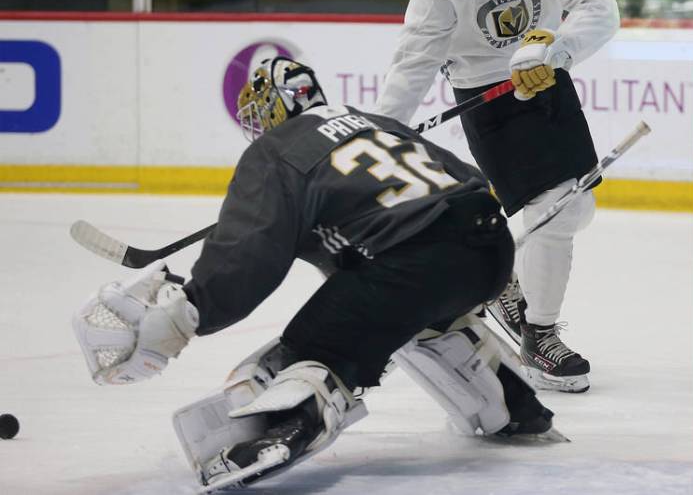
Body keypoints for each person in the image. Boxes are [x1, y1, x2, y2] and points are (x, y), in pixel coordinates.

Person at [72, 57, 559, 490]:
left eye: (260, 112)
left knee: (316, 343)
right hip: (487, 245)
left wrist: (194, 307)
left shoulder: (277, 151)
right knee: (416, 317)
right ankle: (514, 408)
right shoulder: (373, 122)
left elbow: (252, 252)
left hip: (415, 262)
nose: (258, 125)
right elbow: (465, 180)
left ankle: (291, 425)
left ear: (274, 109)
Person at [374, 0, 620, 393]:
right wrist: (384, 126)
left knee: (575, 203)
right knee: (553, 211)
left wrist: (555, 49)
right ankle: (539, 335)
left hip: (544, 71)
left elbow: (600, 8)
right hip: (485, 91)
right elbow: (416, 54)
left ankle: (501, 281)